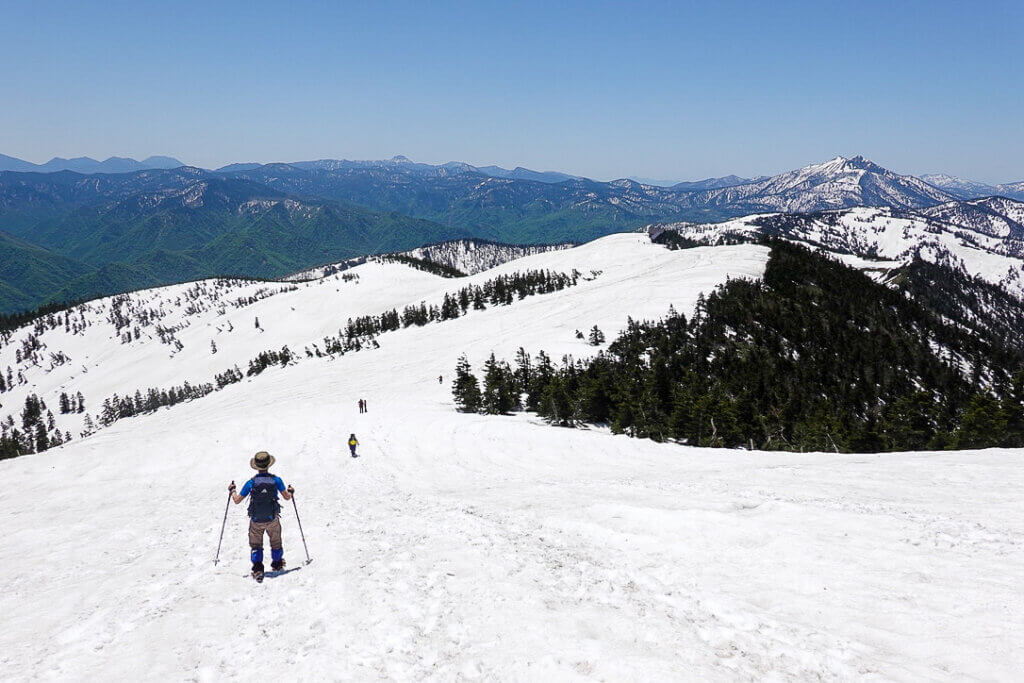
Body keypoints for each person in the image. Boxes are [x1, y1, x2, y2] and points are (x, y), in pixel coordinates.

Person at [229, 450, 293, 580]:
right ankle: (277, 564)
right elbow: (287, 497)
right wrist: (291, 491)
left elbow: (237, 500)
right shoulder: (276, 480)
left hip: (256, 520)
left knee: (256, 544)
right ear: (269, 465)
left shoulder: (251, 483)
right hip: (272, 518)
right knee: (276, 541)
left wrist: (233, 490)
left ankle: (258, 569)